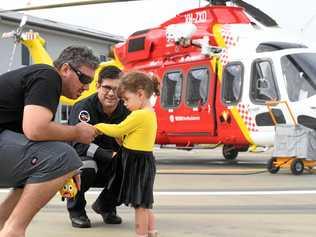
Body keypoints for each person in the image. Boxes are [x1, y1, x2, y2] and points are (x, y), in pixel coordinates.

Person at [0, 46, 100, 237]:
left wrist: (68, 169)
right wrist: (77, 134)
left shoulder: (37, 83)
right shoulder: (47, 76)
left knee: (43, 169)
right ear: (65, 70)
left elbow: (36, 140)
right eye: (85, 79)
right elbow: (35, 129)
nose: (87, 87)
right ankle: (14, 231)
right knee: (64, 156)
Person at [95, 71, 160, 237]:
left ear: (140, 94)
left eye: (126, 99)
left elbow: (119, 129)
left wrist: (98, 126)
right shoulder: (149, 113)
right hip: (143, 160)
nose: (124, 104)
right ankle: (152, 231)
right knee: (144, 203)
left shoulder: (139, 114)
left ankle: (141, 234)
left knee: (139, 205)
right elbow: (130, 135)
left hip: (136, 162)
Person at [67, 65, 130, 228]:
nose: (111, 93)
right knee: (85, 166)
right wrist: (109, 155)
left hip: (111, 163)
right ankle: (76, 211)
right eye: (106, 87)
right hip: (81, 161)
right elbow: (79, 146)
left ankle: (106, 206)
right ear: (97, 86)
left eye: (116, 89)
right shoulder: (83, 108)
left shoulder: (127, 111)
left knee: (136, 168)